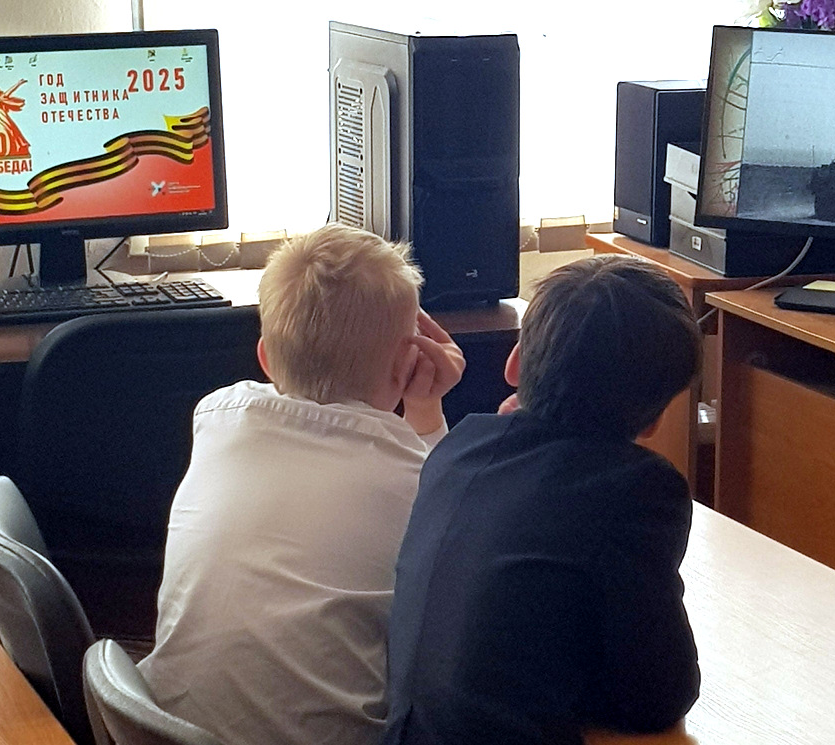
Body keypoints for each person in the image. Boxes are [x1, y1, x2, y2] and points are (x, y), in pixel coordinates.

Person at [138, 223, 465, 745]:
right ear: (408, 362)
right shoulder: (416, 483)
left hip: (165, 728)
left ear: (265, 358)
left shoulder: (218, 420)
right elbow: (443, 528)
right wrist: (426, 409)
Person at [382, 254, 703, 745]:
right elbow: (658, 695)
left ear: (514, 363)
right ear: (656, 418)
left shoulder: (457, 449)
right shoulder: (637, 490)